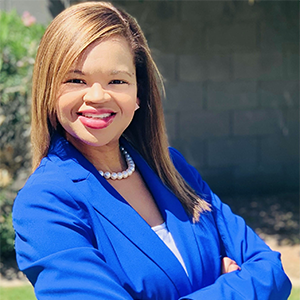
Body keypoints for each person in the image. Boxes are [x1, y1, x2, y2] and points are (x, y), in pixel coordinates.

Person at [12, 2, 291, 299]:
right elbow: (257, 284)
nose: (97, 96)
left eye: (117, 80)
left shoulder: (172, 168)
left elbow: (271, 272)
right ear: (49, 90)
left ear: (138, 94)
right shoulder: (44, 203)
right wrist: (229, 288)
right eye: (76, 80)